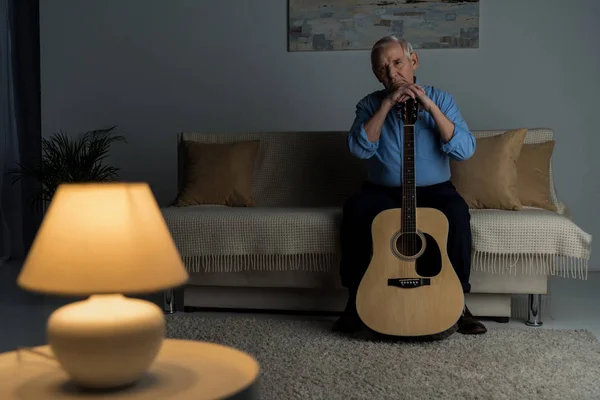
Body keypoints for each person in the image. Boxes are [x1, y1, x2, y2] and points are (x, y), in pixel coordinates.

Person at [333, 35, 487, 336]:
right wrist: (387, 104)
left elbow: (465, 150)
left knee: (456, 213)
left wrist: (429, 106)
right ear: (376, 75)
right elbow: (359, 148)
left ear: (413, 62)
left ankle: (459, 305)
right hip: (384, 192)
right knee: (355, 211)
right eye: (382, 68)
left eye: (397, 63)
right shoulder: (369, 104)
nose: (391, 73)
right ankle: (354, 303)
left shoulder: (441, 99)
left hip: (433, 191)